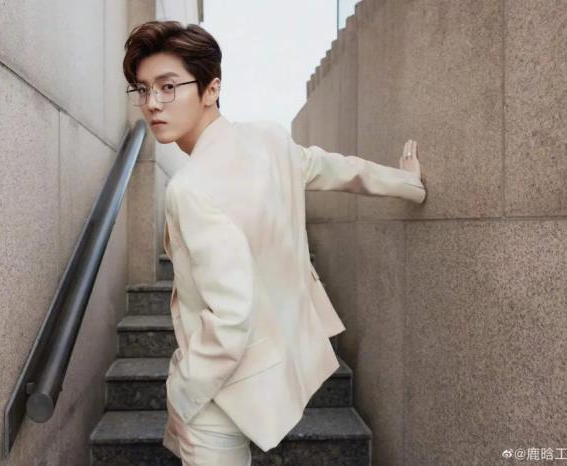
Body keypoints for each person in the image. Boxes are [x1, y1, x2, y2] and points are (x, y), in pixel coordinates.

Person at [122, 20, 426, 466]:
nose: (152, 103)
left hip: (215, 400)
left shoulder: (189, 189)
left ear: (211, 89)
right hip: (268, 371)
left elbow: (231, 316)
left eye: (168, 87)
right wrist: (407, 183)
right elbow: (335, 168)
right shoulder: (267, 139)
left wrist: (183, 390)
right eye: (143, 89)